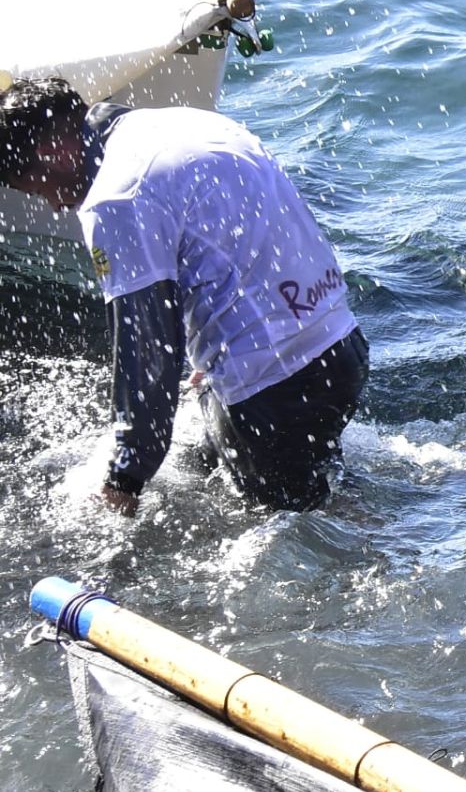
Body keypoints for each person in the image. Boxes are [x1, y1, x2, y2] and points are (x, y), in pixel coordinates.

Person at [0, 79, 368, 513]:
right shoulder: (185, 124)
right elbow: (236, 246)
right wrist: (212, 353)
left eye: (37, 188)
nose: (54, 206)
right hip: (341, 350)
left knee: (288, 534)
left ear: (52, 154)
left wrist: (125, 477)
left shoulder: (114, 198)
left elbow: (147, 350)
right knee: (324, 500)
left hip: (271, 390)